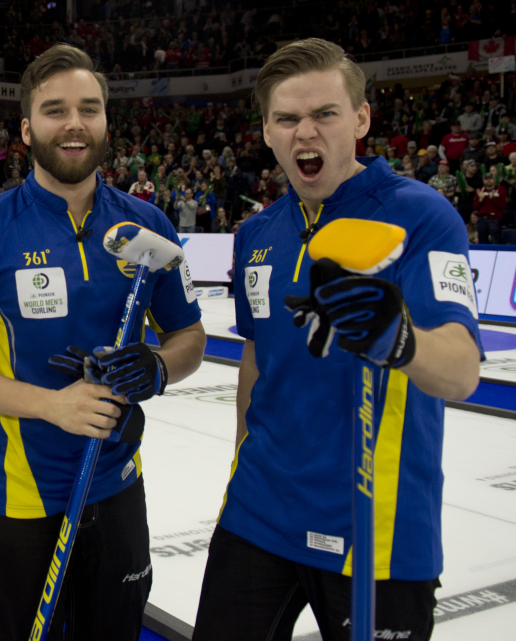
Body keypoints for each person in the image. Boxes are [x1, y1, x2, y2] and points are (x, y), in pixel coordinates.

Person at [193, 38, 483, 641]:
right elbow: (256, 356)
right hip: (258, 515)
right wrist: (242, 458)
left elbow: (461, 371)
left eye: (324, 114)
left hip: (377, 532)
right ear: (267, 132)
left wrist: (397, 339)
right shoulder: (256, 232)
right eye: (287, 118)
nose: (307, 133)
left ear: (360, 118)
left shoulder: (422, 216)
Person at [0, 44, 206, 641]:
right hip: (18, 497)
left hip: (117, 484)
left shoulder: (147, 225)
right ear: (26, 129)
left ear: (105, 121)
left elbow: (189, 337)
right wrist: (54, 405)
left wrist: (155, 366)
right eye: (55, 110)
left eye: (89, 108)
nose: (74, 123)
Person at [473, 172, 506, 244]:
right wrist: (480, 199)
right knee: (482, 242)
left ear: (494, 179)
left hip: (494, 219)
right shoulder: (480, 190)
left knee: (495, 241)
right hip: (482, 219)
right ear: (483, 180)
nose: (488, 180)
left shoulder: (501, 190)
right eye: (486, 179)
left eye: (490, 178)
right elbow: (474, 207)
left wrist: (493, 198)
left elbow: (503, 206)